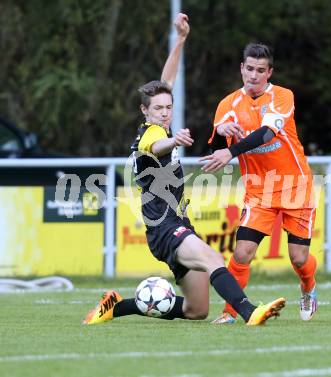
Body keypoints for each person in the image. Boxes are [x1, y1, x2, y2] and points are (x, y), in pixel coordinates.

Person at [83, 14, 285, 326]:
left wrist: (180, 40)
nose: (165, 112)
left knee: (196, 309)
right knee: (214, 259)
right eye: (158, 109)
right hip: (164, 228)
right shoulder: (150, 135)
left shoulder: (161, 120)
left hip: (177, 223)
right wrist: (173, 140)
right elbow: (154, 148)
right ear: (144, 111)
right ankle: (250, 312)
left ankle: (116, 307)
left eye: (168, 107)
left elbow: (167, 80)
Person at [201, 43, 317, 324]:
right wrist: (220, 132)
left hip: (295, 187)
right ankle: (230, 313)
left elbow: (266, 134)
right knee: (242, 252)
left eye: (260, 70)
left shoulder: (282, 96)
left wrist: (230, 150)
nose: (254, 75)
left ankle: (308, 288)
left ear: (269, 72)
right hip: (259, 191)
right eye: (249, 68)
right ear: (242, 68)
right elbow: (215, 144)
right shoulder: (228, 105)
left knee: (299, 258)